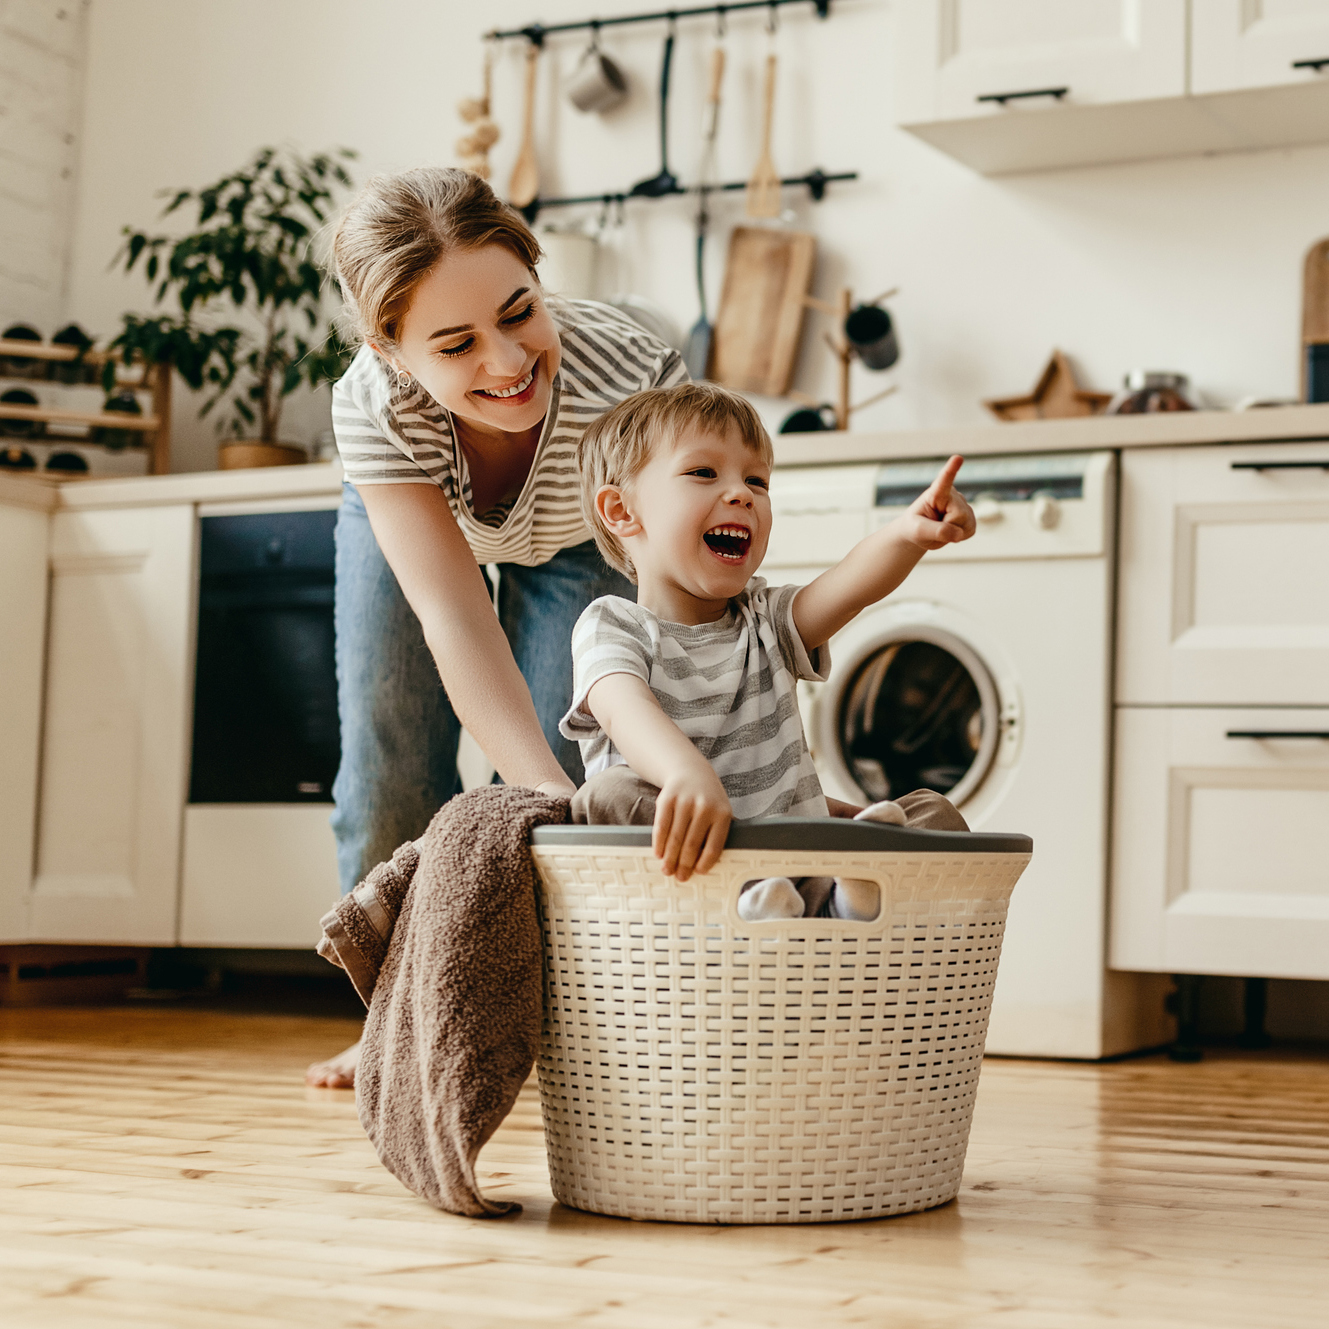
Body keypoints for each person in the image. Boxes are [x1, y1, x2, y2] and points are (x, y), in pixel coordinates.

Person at [306, 168, 686, 1088]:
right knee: (390, 752)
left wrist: (574, 793)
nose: (508, 362)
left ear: (537, 274)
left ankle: (558, 1024)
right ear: (393, 353)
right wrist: (546, 797)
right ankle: (397, 1020)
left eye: (520, 312)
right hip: (421, 513)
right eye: (457, 343)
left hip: (580, 534)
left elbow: (674, 577)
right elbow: (451, 614)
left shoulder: (632, 374)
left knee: (574, 758)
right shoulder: (374, 406)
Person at [559, 382, 977, 918]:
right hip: (688, 873)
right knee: (606, 798)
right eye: (703, 473)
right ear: (621, 511)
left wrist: (907, 535)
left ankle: (845, 902)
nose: (742, 494)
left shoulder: (765, 620)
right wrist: (686, 775)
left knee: (931, 814)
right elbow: (624, 709)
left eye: (756, 480)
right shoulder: (611, 625)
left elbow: (850, 584)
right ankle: (756, 905)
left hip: (801, 860)